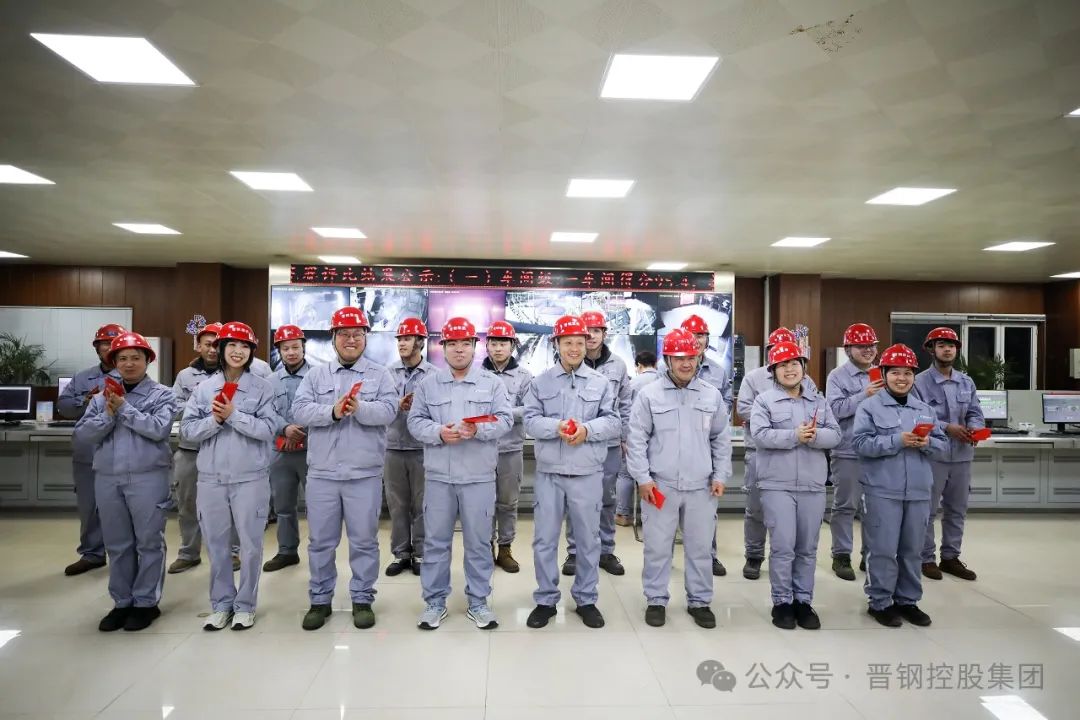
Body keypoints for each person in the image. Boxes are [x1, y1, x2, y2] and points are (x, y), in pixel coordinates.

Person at [291, 307, 397, 631]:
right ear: (333, 338)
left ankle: (362, 599)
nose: (351, 340)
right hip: (322, 474)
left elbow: (389, 411)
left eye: (357, 334)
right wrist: (332, 412)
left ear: (366, 338)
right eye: (344, 334)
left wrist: (360, 408)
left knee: (364, 541)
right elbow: (299, 410)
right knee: (321, 542)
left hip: (363, 474)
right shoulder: (316, 375)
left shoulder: (381, 375)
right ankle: (320, 600)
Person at [408, 317, 513, 630]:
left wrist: (478, 430)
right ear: (443, 348)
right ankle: (434, 603)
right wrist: (439, 433)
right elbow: (415, 422)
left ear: (474, 347)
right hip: (439, 478)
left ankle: (478, 602)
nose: (459, 349)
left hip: (478, 477)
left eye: (465, 343)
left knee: (479, 543)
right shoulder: (428, 385)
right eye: (452, 343)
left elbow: (505, 420)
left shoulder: (492, 384)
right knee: (436, 543)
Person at [626, 329, 731, 629]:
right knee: (657, 547)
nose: (686, 363)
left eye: (692, 357)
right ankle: (656, 599)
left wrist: (720, 475)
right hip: (660, 486)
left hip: (702, 488)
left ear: (699, 358)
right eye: (680, 358)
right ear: (668, 359)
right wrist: (643, 479)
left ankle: (700, 601)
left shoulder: (710, 395)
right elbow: (636, 440)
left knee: (700, 548)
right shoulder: (649, 395)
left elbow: (721, 439)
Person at [523, 315, 621, 629]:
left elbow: (614, 422)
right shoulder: (540, 382)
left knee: (588, 541)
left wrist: (587, 430)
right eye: (568, 343)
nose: (575, 348)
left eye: (580, 342)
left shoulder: (600, 383)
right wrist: (557, 427)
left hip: (587, 473)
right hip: (549, 474)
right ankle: (546, 599)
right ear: (557, 344)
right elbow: (529, 421)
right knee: (544, 540)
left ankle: (586, 599)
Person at [74, 332, 176, 632]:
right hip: (108, 478)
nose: (129, 363)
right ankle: (121, 602)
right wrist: (107, 414)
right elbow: (83, 435)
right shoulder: (101, 397)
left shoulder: (162, 395)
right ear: (114, 362)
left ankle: (146, 603)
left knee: (149, 542)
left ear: (147, 360)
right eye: (122, 359)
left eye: (135, 358)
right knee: (117, 544)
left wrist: (124, 409)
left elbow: (158, 429)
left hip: (148, 476)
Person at [181, 321, 279, 631]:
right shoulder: (203, 388)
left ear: (252, 352)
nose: (238, 351)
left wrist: (234, 416)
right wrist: (215, 420)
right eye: (232, 345)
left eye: (245, 346)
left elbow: (268, 429)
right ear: (221, 349)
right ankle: (221, 604)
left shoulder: (263, 388)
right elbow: (187, 431)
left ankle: (245, 605)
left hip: (250, 478)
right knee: (216, 544)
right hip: (211, 478)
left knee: (250, 545)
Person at [854, 343, 948, 628]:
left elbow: (944, 448)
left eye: (908, 373)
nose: (902, 378)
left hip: (918, 491)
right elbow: (860, 444)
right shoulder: (869, 407)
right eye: (895, 372)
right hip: (882, 490)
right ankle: (880, 602)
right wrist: (897, 440)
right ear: (884, 374)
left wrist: (926, 443)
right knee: (882, 549)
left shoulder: (925, 410)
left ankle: (907, 601)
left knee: (912, 550)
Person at [750, 341, 840, 630]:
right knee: (783, 546)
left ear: (803, 367)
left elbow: (836, 434)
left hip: (813, 485)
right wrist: (794, 436)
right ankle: (782, 602)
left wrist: (814, 437)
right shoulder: (764, 401)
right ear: (773, 371)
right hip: (777, 484)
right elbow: (760, 435)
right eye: (782, 365)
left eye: (794, 364)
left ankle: (803, 600)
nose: (789, 369)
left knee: (807, 547)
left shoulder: (818, 401)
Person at [735, 327, 819, 581]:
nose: (787, 362)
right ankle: (754, 554)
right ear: (769, 352)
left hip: (798, 452)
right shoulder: (754, 378)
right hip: (760, 451)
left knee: (791, 514)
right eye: (776, 350)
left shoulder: (806, 380)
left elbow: (815, 411)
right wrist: (775, 420)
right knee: (756, 508)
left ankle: (787, 559)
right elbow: (743, 409)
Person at [912, 327, 984, 582]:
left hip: (962, 456)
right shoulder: (918, 383)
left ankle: (951, 557)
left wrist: (974, 427)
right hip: (933, 456)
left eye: (951, 346)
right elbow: (918, 417)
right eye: (941, 345)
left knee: (957, 509)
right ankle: (926, 558)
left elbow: (975, 411)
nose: (947, 350)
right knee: (927, 510)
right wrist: (946, 427)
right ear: (931, 350)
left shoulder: (966, 382)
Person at [562, 310, 630, 578]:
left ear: (604, 334)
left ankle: (606, 550)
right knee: (575, 499)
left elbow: (626, 405)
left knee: (607, 499)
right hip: (576, 444)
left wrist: (625, 438)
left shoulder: (618, 366)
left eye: (596, 331)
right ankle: (575, 551)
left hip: (608, 444)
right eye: (586, 331)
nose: (590, 336)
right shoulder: (568, 362)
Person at [57, 322, 125, 576]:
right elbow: (64, 406)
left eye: (114, 343)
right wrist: (86, 400)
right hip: (87, 453)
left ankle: (123, 556)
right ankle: (92, 554)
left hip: (119, 452)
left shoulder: (130, 375)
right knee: (88, 506)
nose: (109, 348)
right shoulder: (83, 377)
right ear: (97, 347)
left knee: (120, 508)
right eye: (104, 343)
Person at [826, 323, 884, 581]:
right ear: (848, 349)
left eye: (872, 345)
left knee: (874, 507)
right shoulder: (837, 376)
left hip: (877, 451)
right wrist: (864, 394)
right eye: (862, 346)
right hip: (848, 451)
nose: (868, 350)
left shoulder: (883, 373)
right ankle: (841, 555)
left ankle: (869, 555)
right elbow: (834, 410)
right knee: (845, 506)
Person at [167, 322, 222, 574]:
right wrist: (205, 406)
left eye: (217, 345)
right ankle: (189, 553)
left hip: (223, 449)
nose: (212, 349)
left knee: (225, 506)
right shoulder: (185, 376)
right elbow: (174, 407)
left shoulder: (234, 372)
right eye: (207, 344)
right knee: (187, 505)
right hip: (190, 450)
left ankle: (230, 553)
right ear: (198, 346)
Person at [681, 313, 733, 577]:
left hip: (705, 448)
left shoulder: (718, 371)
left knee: (706, 509)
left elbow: (726, 405)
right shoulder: (668, 367)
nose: (697, 340)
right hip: (676, 447)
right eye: (692, 335)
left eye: (701, 335)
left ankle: (708, 556)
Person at [384, 317, 436, 577]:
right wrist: (397, 404)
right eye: (400, 339)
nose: (402, 343)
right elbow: (377, 405)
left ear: (420, 342)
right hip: (392, 447)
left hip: (422, 449)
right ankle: (400, 553)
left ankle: (421, 553)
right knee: (397, 505)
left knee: (422, 504)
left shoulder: (434, 375)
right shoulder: (386, 373)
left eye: (407, 338)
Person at [482, 320, 533, 573]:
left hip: (510, 449)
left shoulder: (525, 377)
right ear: (487, 346)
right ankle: (485, 549)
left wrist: (501, 415)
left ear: (512, 346)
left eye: (503, 343)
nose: (498, 348)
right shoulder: (476, 374)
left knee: (508, 502)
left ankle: (505, 549)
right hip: (480, 448)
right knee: (483, 503)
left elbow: (531, 409)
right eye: (494, 343)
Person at [263, 324, 312, 572]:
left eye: (295, 347)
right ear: (279, 351)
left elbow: (321, 409)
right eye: (285, 348)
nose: (291, 352)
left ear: (304, 348)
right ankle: (287, 551)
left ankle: (320, 552)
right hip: (280, 453)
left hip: (312, 452)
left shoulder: (317, 376)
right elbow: (266, 412)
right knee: (283, 506)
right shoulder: (270, 381)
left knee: (318, 506)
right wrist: (285, 429)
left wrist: (298, 430)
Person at [614, 350, 658, 527]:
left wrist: (623, 438)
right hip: (659, 438)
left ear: (638, 365)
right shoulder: (663, 381)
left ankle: (623, 514)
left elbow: (623, 410)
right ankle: (654, 516)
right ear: (655, 364)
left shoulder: (633, 384)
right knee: (655, 476)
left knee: (625, 474)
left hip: (635, 435)